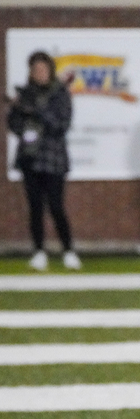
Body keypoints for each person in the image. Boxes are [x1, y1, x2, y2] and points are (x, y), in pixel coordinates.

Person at [7, 52, 78, 272]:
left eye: (43, 69)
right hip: (30, 158)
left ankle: (68, 250)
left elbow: (61, 125)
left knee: (56, 206)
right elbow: (13, 121)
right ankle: (39, 251)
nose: (39, 73)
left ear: (50, 70)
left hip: (54, 158)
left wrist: (37, 113)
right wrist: (24, 126)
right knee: (35, 207)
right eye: (35, 70)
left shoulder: (60, 94)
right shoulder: (24, 94)